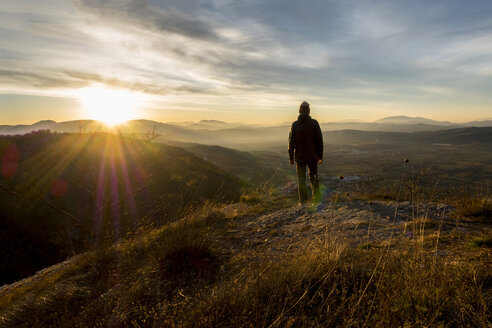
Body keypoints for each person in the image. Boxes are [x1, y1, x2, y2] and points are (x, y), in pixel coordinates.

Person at [288, 101, 323, 204]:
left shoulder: (294, 125)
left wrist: (291, 157)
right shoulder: (314, 123)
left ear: (299, 111)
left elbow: (291, 142)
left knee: (301, 179)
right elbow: (319, 141)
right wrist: (320, 156)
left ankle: (302, 202)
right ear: (309, 111)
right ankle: (316, 200)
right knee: (314, 177)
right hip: (312, 156)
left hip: (300, 156)